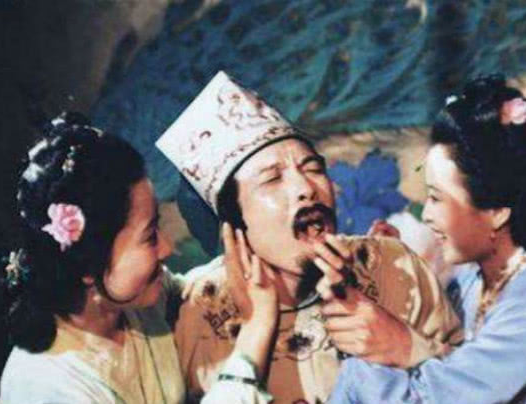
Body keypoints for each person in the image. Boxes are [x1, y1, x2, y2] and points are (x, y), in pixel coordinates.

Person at [156, 71, 463, 404]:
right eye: (272, 179)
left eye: (313, 169)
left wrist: (407, 346)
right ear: (232, 222)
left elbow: (480, 387)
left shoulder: (393, 266)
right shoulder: (193, 311)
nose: (306, 188)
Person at [325, 75, 526, 403]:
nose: (426, 215)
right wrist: (391, 268)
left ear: (497, 211)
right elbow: (460, 361)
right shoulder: (473, 280)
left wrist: (398, 345)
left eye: (437, 198)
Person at [0, 113, 280, 403]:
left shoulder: (131, 302)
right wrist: (255, 334)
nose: (167, 248)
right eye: (149, 237)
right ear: (87, 266)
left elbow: (187, 294)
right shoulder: (45, 388)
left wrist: (256, 257)